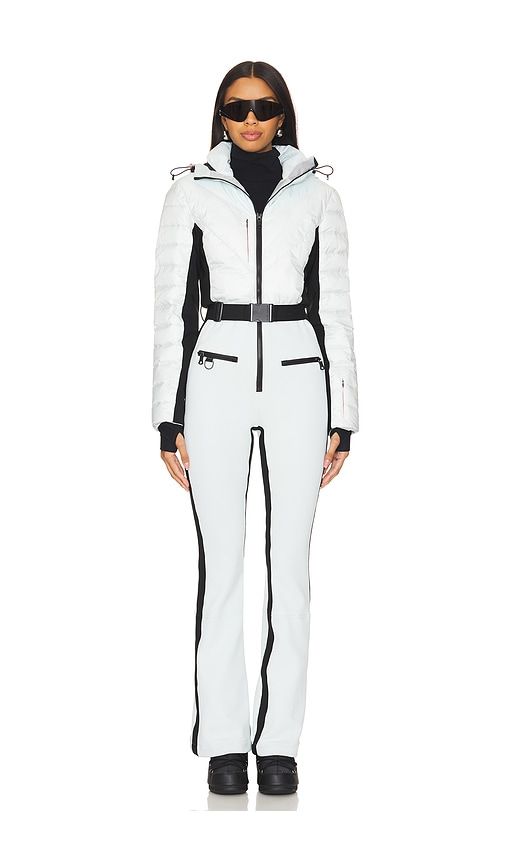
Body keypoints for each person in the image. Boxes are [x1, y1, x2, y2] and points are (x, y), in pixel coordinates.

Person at [151, 61, 359, 795]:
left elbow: (335, 307)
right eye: (237, 108)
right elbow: (173, 309)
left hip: (300, 376)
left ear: (282, 115)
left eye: (264, 107)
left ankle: (279, 745)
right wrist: (168, 416)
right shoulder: (190, 193)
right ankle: (223, 741)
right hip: (216, 373)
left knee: (290, 566)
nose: (250, 119)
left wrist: (344, 415)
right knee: (223, 564)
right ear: (220, 115)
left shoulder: (319, 196)